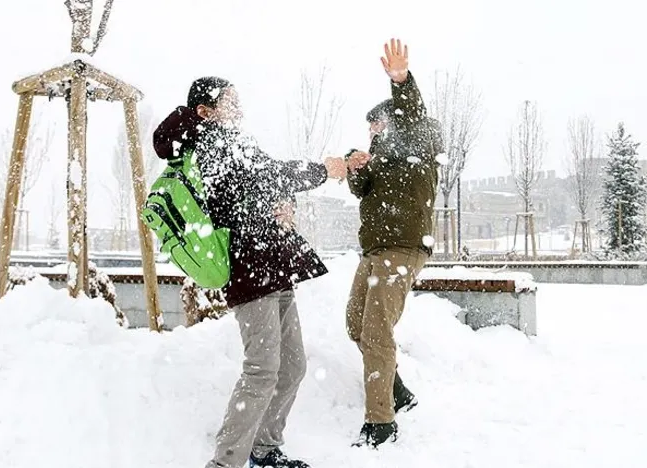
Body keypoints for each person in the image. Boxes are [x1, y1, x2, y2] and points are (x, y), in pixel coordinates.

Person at [152, 77, 348, 468]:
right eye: (230, 102)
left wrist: (285, 202)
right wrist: (320, 170)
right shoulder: (207, 144)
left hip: (275, 265)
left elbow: (264, 181)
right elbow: (261, 176)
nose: (239, 108)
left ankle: (265, 449)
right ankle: (226, 462)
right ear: (206, 111)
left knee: (293, 366)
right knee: (262, 370)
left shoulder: (236, 143)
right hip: (250, 269)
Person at [342, 38, 443, 448]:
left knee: (377, 331)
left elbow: (413, 116)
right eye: (370, 128)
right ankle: (397, 390)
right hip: (375, 251)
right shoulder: (379, 159)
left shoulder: (419, 143)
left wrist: (400, 80)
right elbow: (360, 189)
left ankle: (380, 423)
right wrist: (353, 164)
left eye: (378, 124)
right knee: (355, 324)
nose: (373, 132)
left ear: (394, 121)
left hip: (402, 249)